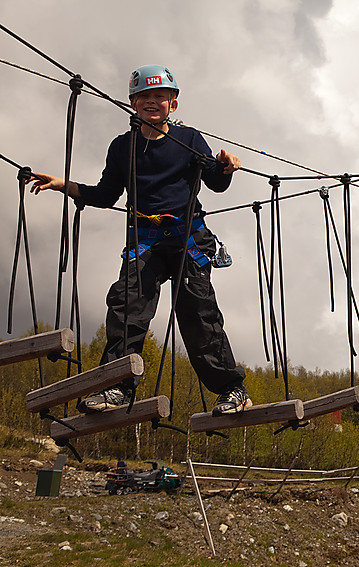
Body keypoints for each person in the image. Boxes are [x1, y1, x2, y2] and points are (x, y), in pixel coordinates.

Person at [29, 64, 251, 416]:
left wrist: (226, 166)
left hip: (187, 238)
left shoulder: (189, 140)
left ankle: (231, 390)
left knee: (196, 311)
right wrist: (62, 184)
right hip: (145, 239)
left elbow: (215, 180)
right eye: (144, 97)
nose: (152, 102)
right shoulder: (122, 147)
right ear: (133, 103)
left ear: (172, 105)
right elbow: (105, 194)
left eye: (159, 97)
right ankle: (116, 386)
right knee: (125, 306)